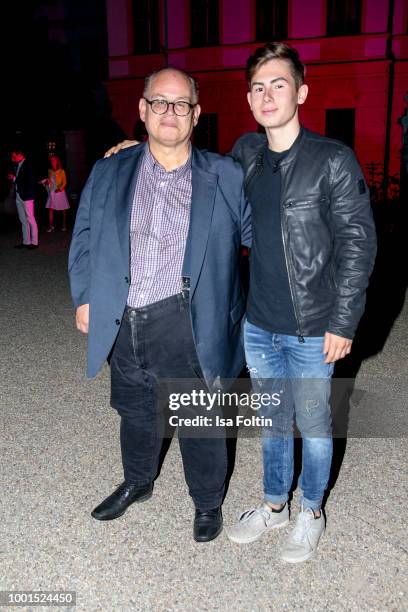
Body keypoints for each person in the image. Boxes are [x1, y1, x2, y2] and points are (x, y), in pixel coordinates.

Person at [103, 43, 377, 562]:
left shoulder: (332, 159)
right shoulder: (245, 155)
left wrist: (344, 321)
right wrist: (132, 152)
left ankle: (311, 510)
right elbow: (193, 171)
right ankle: (275, 504)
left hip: (315, 324)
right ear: (249, 99)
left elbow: (359, 243)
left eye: (279, 84)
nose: (267, 95)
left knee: (315, 424)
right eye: (258, 87)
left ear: (301, 92)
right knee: (273, 418)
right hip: (259, 323)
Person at [68, 67, 250, 543]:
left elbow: (266, 240)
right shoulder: (110, 170)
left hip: (188, 320)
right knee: (136, 410)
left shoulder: (226, 175)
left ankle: (207, 502)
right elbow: (84, 234)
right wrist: (85, 295)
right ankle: (137, 481)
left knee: (199, 420)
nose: (170, 112)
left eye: (181, 104)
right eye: (160, 102)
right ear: (143, 110)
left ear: (196, 114)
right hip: (124, 317)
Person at [8, 148, 39, 249]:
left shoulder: (28, 164)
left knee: (30, 218)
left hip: (27, 195)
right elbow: (19, 180)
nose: (12, 158)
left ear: (20, 155)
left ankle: (34, 242)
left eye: (14, 156)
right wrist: (14, 179)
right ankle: (26, 241)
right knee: (23, 219)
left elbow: (30, 180)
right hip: (19, 195)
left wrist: (14, 178)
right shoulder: (17, 165)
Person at [44, 155, 70, 232]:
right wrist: (46, 182)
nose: (52, 161)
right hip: (52, 192)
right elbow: (50, 182)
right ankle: (51, 226)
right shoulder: (50, 171)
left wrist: (60, 189)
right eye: (51, 160)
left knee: (63, 209)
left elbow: (65, 182)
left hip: (60, 192)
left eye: (53, 160)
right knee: (51, 209)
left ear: (57, 161)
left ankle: (64, 224)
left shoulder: (62, 171)